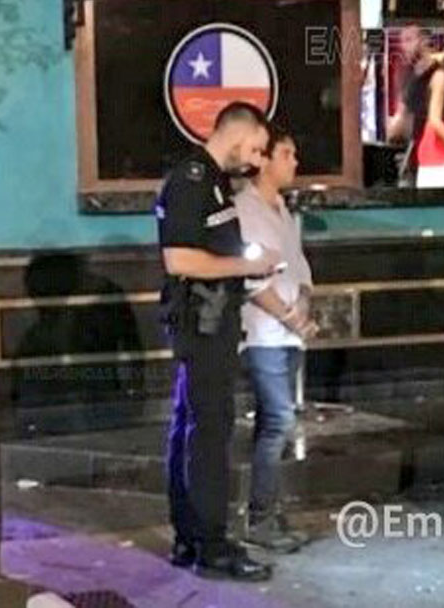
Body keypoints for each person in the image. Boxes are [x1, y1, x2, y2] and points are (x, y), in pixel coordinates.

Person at [156, 102, 280, 581]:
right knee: (208, 433)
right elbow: (181, 260)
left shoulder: (212, 181)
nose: (256, 159)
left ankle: (191, 537)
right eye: (255, 147)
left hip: (213, 323)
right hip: (201, 326)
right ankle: (210, 544)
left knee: (194, 428)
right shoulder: (192, 181)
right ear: (236, 133)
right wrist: (248, 266)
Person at [235, 124, 317, 553]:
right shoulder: (245, 211)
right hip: (264, 334)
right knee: (279, 421)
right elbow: (252, 279)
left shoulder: (282, 210)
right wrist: (289, 317)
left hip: (288, 335)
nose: (294, 162)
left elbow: (298, 266)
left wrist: (302, 302)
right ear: (263, 160)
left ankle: (268, 508)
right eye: (286, 153)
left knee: (275, 424)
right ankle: (261, 518)